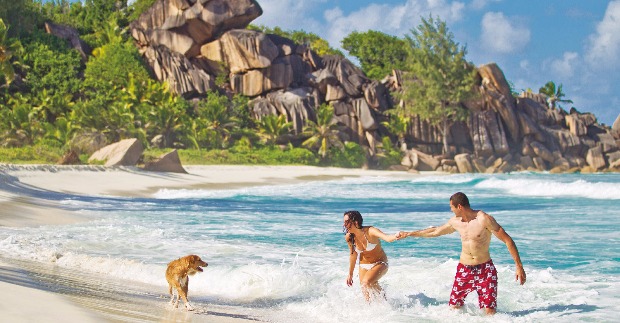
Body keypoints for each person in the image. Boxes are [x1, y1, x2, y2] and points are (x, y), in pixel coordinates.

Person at [396, 192, 526, 315]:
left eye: (451, 207)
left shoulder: (484, 219)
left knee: (490, 312)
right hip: (464, 269)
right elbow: (435, 231)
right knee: (455, 309)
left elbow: (507, 240)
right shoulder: (455, 222)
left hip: (485, 270)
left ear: (459, 206)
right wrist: (409, 233)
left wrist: (519, 266)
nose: (451, 210)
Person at [343, 210, 399, 302]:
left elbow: (387, 238)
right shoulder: (349, 237)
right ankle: (378, 308)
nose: (344, 225)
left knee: (366, 283)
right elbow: (353, 255)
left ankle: (386, 305)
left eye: (347, 222)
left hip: (380, 263)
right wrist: (350, 274)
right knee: (368, 292)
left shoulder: (370, 231)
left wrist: (396, 236)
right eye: (344, 222)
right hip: (363, 266)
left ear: (356, 222)